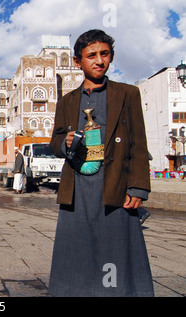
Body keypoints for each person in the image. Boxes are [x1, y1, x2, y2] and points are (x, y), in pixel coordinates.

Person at [48, 29, 153, 297]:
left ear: (111, 57)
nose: (99, 61)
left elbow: (138, 144)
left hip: (115, 184)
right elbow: (55, 142)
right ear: (77, 61)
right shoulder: (66, 101)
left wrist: (138, 188)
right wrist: (66, 143)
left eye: (104, 54)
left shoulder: (128, 94)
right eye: (91, 55)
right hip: (78, 188)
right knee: (77, 254)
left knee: (117, 254)